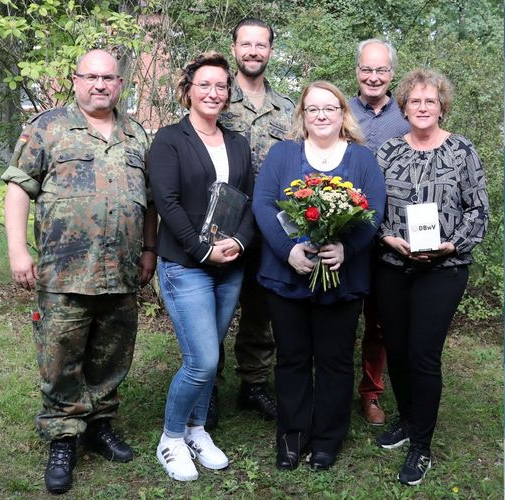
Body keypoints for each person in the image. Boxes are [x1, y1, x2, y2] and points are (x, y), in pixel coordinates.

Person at [1, 49, 157, 494]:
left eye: (108, 77)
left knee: (112, 353)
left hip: (122, 269)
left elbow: (148, 199)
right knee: (60, 354)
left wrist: (149, 249)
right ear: (75, 80)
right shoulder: (47, 127)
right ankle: (64, 435)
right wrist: (17, 251)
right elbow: (19, 188)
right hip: (65, 270)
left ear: (120, 83)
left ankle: (99, 423)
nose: (100, 85)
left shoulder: (136, 133)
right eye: (91, 77)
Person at [252, 81, 385, 471]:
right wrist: (288, 250)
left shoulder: (361, 160)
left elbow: (374, 211)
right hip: (287, 276)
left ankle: (327, 439)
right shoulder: (283, 154)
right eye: (313, 109)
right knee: (291, 358)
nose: (322, 115)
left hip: (340, 279)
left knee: (335, 361)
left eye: (330, 108)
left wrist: (346, 248)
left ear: (343, 113)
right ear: (303, 116)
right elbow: (262, 204)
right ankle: (291, 438)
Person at [374, 68, 489, 485]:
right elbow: (369, 207)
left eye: (431, 101)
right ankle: (407, 419)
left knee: (423, 353)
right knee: (398, 350)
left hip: (444, 268)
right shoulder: (387, 151)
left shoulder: (462, 151)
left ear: (442, 107)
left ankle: (421, 445)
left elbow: (479, 210)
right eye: (415, 101)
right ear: (403, 107)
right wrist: (387, 238)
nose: (423, 108)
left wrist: (451, 244)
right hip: (393, 265)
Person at [149, 51, 254, 482]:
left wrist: (239, 242)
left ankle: (196, 430)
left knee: (211, 354)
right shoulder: (169, 140)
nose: (213, 92)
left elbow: (248, 201)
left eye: (221, 86)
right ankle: (171, 438)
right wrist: (202, 250)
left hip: (229, 266)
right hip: (186, 265)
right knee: (203, 359)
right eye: (204, 85)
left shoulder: (238, 143)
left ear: (228, 94)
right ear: (188, 91)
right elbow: (167, 204)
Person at [210, 17, 295, 427]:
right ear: (235, 47)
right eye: (247, 43)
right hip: (223, 226)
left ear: (270, 52)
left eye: (261, 45)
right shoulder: (215, 98)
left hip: (271, 229)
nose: (254, 51)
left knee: (262, 310)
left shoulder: (288, 109)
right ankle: (206, 386)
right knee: (214, 310)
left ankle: (254, 383)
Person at [346, 39, 411, 426]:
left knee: (381, 320)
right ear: (357, 71)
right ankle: (332, 385)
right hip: (344, 231)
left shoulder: (406, 116)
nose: (373, 77)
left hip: (390, 233)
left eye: (381, 70)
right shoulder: (341, 111)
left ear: (391, 74)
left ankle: (370, 393)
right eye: (367, 69)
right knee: (338, 312)